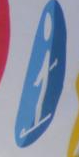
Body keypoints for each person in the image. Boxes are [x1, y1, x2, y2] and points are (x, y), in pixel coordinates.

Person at [20, 11, 59, 140]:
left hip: (45, 82)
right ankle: (36, 120)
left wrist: (38, 80)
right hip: (44, 82)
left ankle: (36, 120)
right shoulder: (46, 51)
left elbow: (44, 69)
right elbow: (45, 68)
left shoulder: (47, 52)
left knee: (39, 101)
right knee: (39, 101)